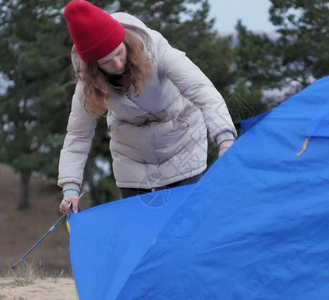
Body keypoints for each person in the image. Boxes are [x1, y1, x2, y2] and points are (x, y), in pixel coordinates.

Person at [58, 0, 237, 214]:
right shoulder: (88, 86)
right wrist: (70, 188)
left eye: (118, 52)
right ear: (94, 66)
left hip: (182, 144)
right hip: (132, 159)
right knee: (140, 231)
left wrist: (225, 140)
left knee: (186, 224)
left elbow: (204, 92)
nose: (116, 63)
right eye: (106, 61)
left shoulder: (157, 52)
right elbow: (78, 135)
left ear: (125, 42)